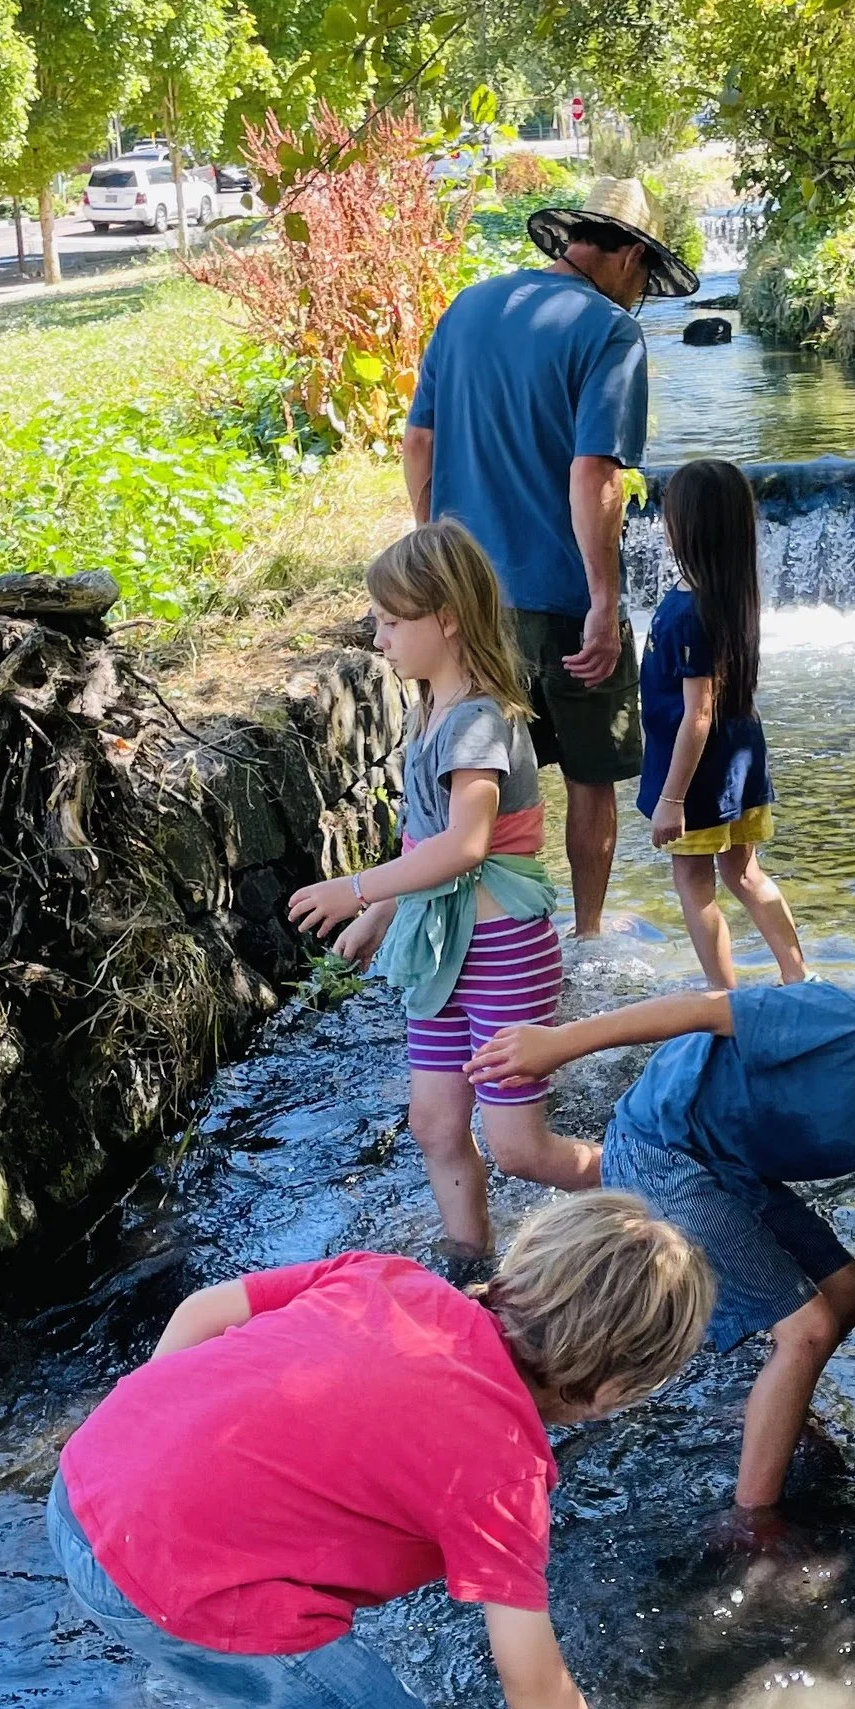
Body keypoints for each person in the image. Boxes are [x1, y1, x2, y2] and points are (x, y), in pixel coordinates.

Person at [46, 1192, 716, 1709]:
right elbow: (535, 1686)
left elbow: (202, 1310)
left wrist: (157, 1452)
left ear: (522, 1270)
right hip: (165, 1581)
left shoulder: (388, 1278)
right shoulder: (504, 1469)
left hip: (86, 1483)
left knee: (302, 1649)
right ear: (613, 1389)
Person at [467, 979, 855, 1519]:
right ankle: (753, 1518)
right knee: (806, 1329)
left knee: (849, 1292)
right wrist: (560, 1043)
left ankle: (769, 1409)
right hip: (665, 1147)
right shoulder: (852, 1024)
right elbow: (701, 1010)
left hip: (731, 1169)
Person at [288, 521, 598, 1257]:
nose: (379, 638)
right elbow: (425, 847)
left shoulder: (478, 723)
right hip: (441, 950)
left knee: (519, 1145)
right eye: (378, 620)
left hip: (499, 951)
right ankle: (470, 1261)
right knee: (433, 1122)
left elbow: (465, 847)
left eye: (393, 621)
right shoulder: (429, 710)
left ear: (448, 618)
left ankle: (660, 1179)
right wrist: (384, 918)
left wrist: (357, 890)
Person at [403, 174, 698, 937]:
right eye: (643, 277)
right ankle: (586, 935)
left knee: (477, 773)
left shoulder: (468, 308)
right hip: (561, 594)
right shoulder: (606, 331)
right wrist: (604, 599)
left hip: (461, 598)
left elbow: (418, 443)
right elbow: (595, 471)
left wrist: (434, 551)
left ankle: (482, 933)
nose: (638, 294)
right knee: (592, 777)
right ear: (628, 253)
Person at [640, 457, 805, 992]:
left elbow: (698, 713)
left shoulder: (690, 611)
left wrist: (672, 799)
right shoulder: (731, 594)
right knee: (744, 872)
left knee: (694, 883)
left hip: (699, 778)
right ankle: (798, 976)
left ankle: (722, 996)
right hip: (740, 763)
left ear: (687, 528)